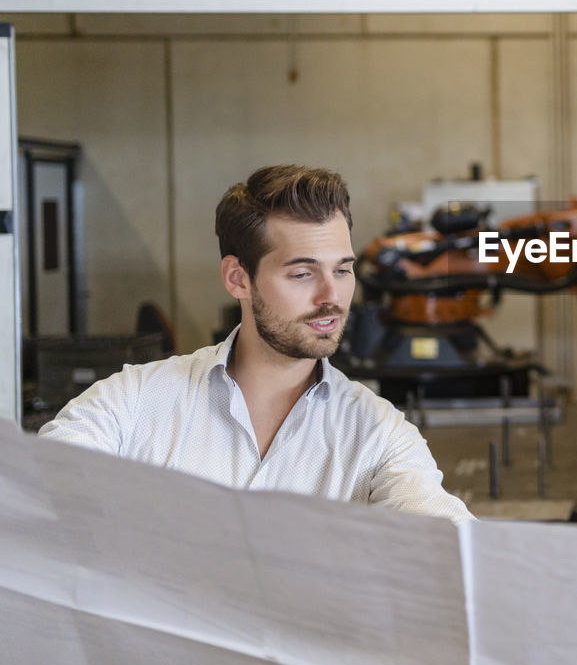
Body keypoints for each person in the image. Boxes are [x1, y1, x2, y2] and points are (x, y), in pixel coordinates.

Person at [40, 164, 472, 522]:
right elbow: (39, 491)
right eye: (302, 273)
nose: (331, 297)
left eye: (342, 270)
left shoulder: (379, 434)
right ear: (237, 278)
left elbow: (446, 536)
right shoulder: (133, 402)